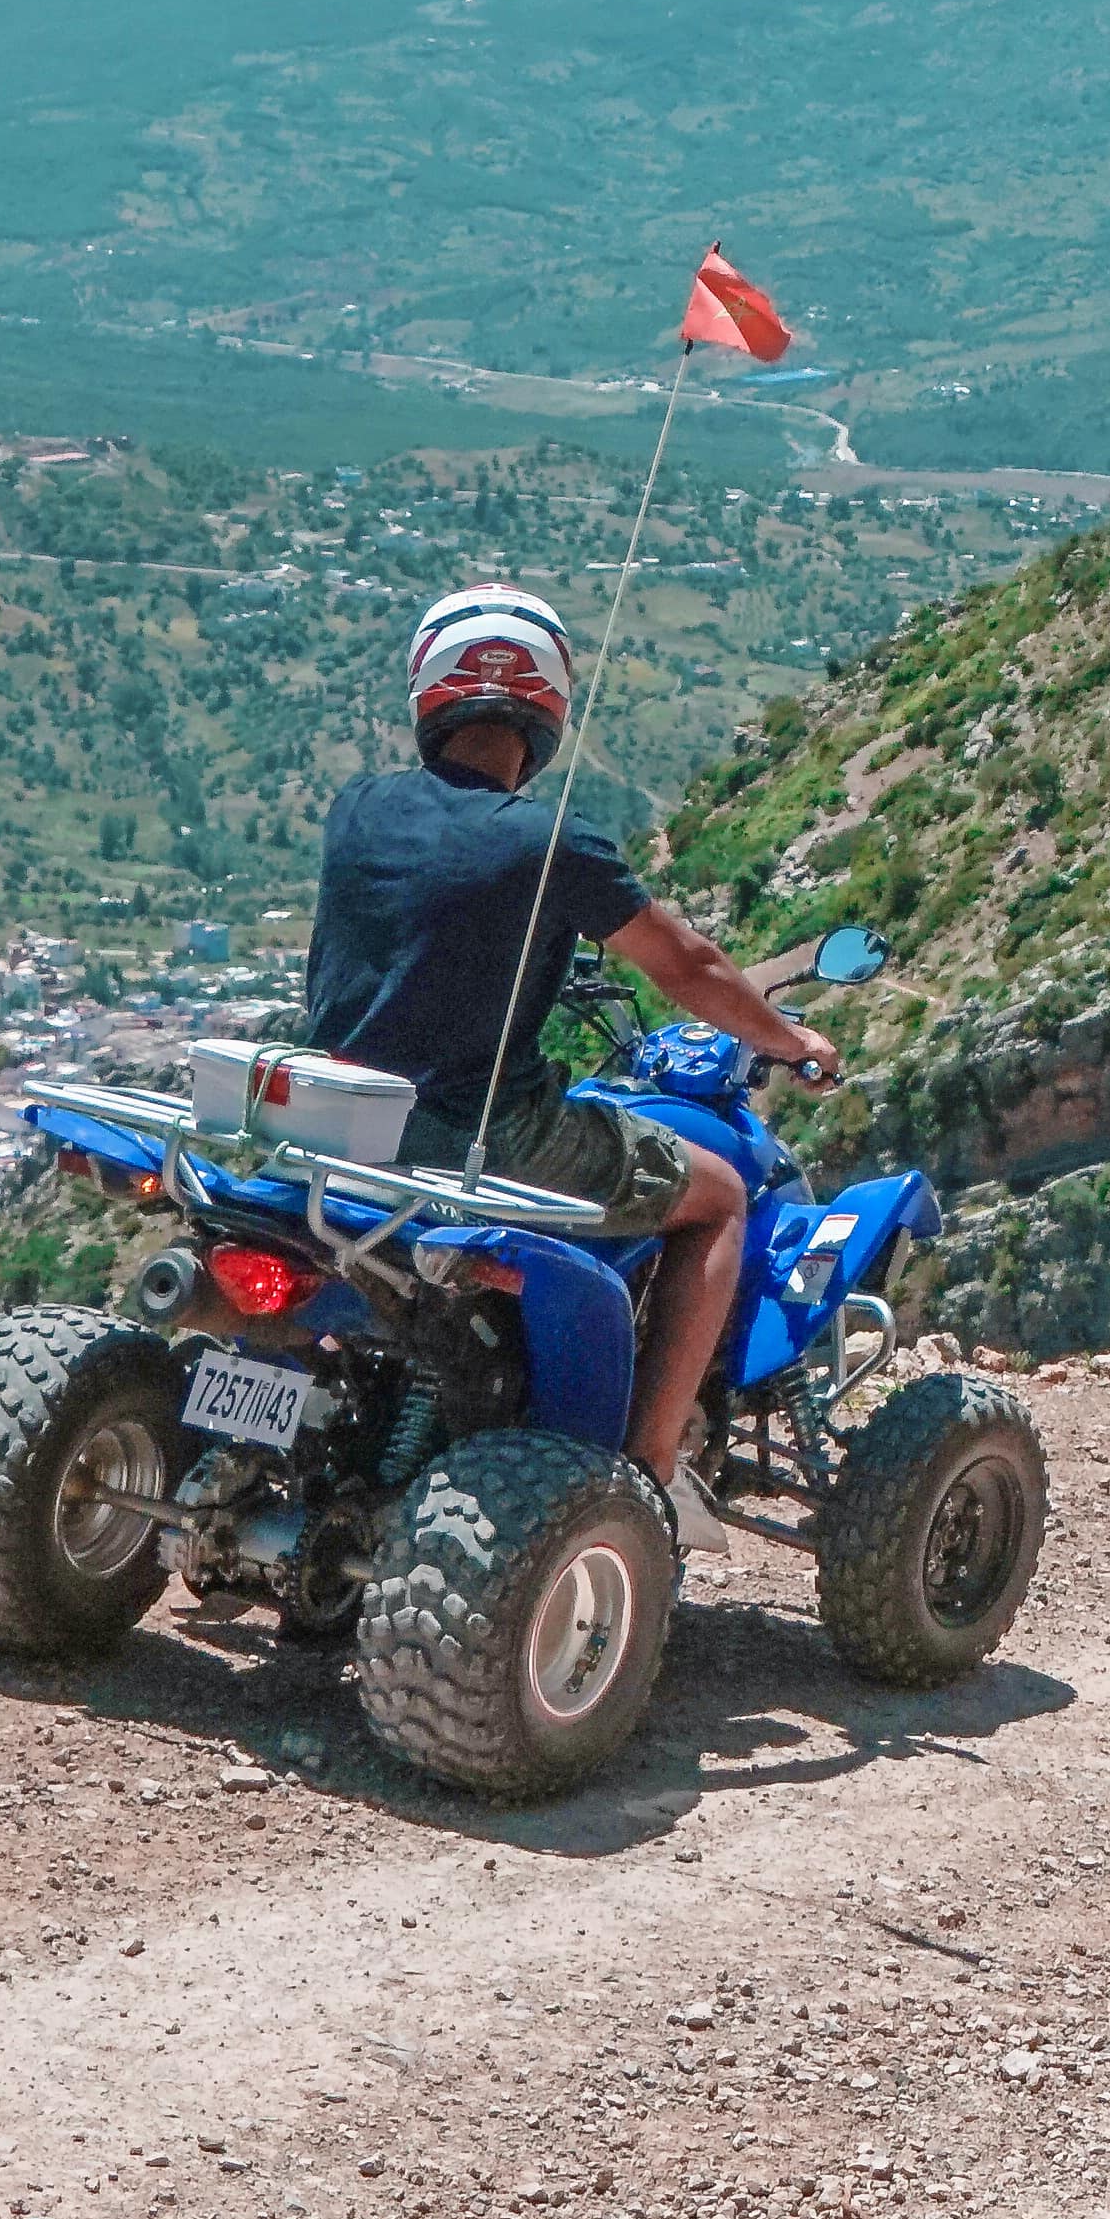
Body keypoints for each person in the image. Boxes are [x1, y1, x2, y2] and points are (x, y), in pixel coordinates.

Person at [293, 582, 834, 1529]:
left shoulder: (358, 807)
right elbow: (689, 966)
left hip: (332, 1126)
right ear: (546, 705)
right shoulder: (552, 841)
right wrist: (788, 1040)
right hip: (481, 1136)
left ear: (430, 692)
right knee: (719, 1198)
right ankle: (651, 1465)